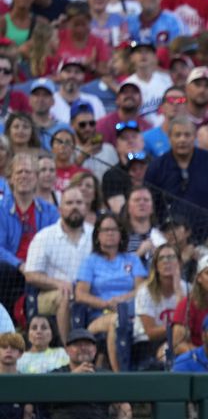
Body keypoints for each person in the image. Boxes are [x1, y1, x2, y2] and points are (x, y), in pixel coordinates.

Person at [48, 329, 133, 419]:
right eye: (77, 344)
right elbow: (46, 398)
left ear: (95, 350)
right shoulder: (57, 374)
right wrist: (73, 376)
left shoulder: (104, 376)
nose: (83, 348)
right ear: (67, 350)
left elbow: (125, 408)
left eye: (88, 344)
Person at [74, 213, 147, 371]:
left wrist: (122, 300)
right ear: (97, 235)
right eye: (105, 230)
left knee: (122, 319)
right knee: (117, 321)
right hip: (99, 316)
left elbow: (141, 289)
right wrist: (106, 303)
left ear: (121, 234)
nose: (110, 233)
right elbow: (80, 294)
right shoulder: (90, 261)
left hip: (130, 312)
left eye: (114, 229)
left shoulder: (132, 259)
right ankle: (119, 376)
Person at [24, 186, 93, 343]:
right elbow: (30, 275)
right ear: (60, 209)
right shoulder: (44, 237)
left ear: (86, 207)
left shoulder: (95, 235)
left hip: (88, 292)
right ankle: (68, 347)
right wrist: (58, 283)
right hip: (50, 294)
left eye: (79, 202)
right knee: (65, 295)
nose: (74, 207)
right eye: (69, 203)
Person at [0, 153, 59, 316]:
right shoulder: (1, 210)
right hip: (13, 271)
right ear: (10, 179)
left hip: (42, 268)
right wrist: (20, 265)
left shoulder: (51, 211)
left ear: (36, 178)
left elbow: (57, 243)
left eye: (29, 172)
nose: (24, 176)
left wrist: (34, 267)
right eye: (19, 172)